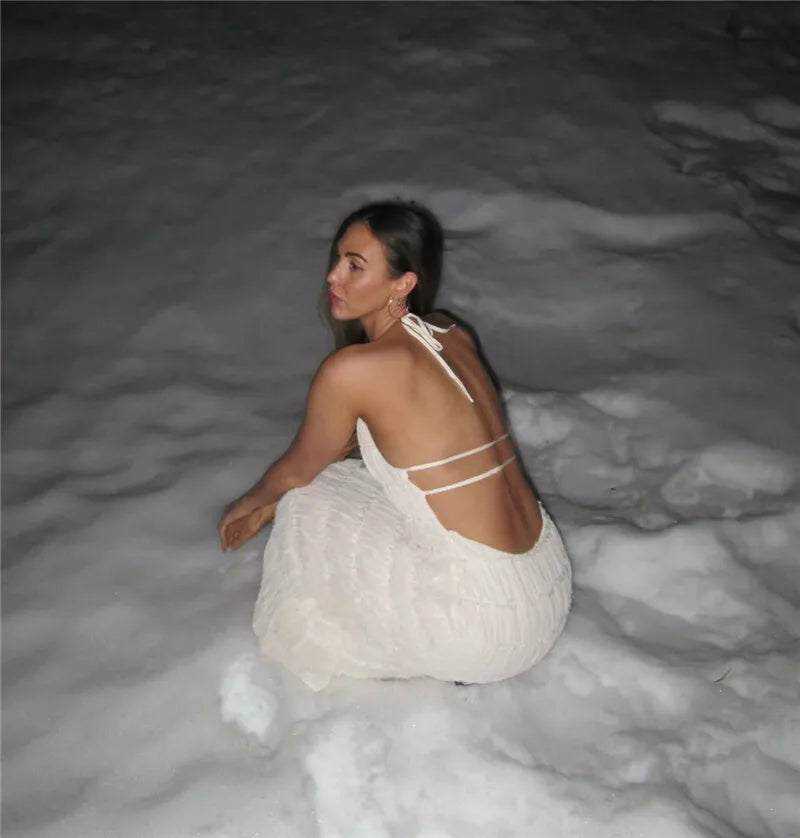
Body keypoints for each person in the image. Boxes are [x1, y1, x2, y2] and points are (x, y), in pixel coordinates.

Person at [218, 200, 572, 691]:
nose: (333, 277)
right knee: (350, 481)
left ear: (403, 283)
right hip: (547, 586)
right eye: (337, 259)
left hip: (480, 627)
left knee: (306, 498)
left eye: (355, 266)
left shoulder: (351, 371)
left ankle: (360, 643)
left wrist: (252, 503)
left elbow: (299, 470)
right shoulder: (452, 333)